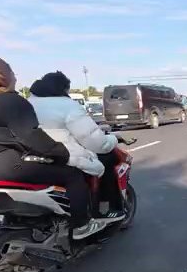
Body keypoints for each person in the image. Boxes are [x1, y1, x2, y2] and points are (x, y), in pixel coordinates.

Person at [0, 55, 95, 238]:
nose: (16, 77)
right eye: (12, 72)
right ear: (2, 76)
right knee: (73, 175)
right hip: (10, 170)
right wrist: (63, 154)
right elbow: (35, 140)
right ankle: (81, 226)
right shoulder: (10, 101)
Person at [27, 71, 125, 224]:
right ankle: (105, 210)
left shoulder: (27, 103)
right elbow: (94, 141)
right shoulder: (67, 105)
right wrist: (112, 139)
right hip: (62, 155)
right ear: (64, 88)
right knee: (107, 158)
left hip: (29, 157)